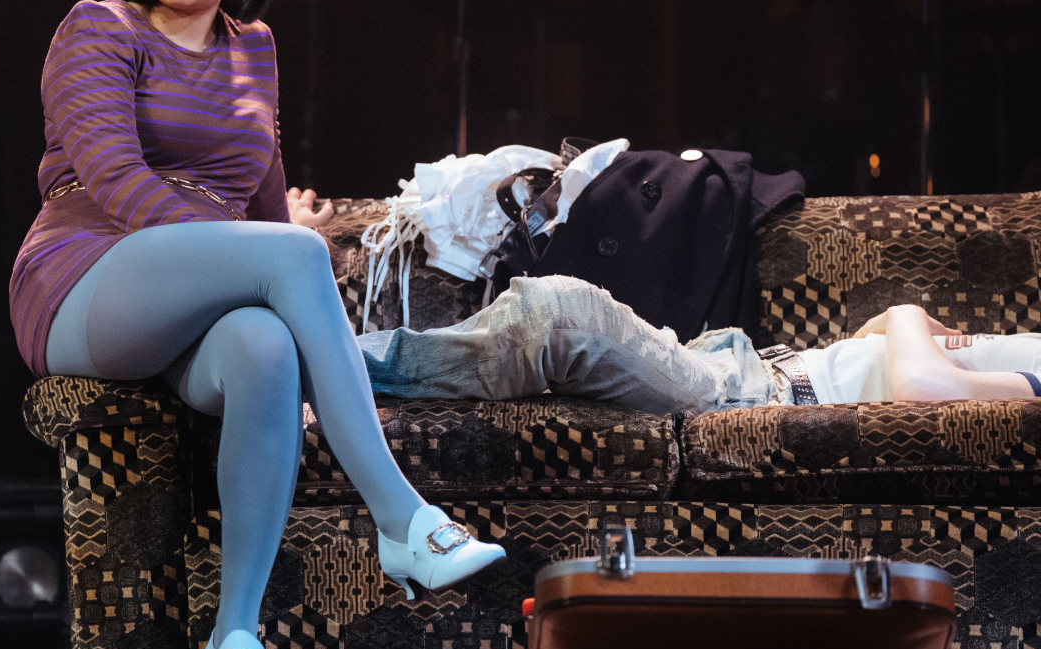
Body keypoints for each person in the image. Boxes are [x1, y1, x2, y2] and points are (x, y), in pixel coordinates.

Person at [9, 0, 504, 649]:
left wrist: (276, 241)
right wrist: (270, 250)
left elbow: (262, 198)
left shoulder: (256, 51)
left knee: (266, 346)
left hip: (192, 305)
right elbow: (117, 182)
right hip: (87, 278)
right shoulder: (98, 28)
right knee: (293, 258)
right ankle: (401, 518)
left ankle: (235, 638)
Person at [358, 274, 1041, 411]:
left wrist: (907, 314)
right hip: (743, 364)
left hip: (757, 398)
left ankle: (331, 360)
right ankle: (336, 357)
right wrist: (898, 331)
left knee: (562, 314)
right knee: (543, 323)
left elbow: (925, 388)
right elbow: (872, 346)